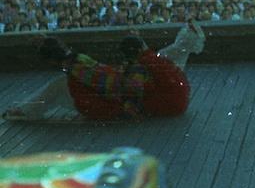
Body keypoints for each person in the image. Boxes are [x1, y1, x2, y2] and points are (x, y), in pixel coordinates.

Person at [3, 21, 205, 121]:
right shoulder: (156, 63)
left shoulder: (139, 72)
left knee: (59, 86)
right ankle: (24, 110)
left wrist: (51, 46)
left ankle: (24, 111)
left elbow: (107, 82)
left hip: (126, 106)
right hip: (173, 103)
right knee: (167, 55)